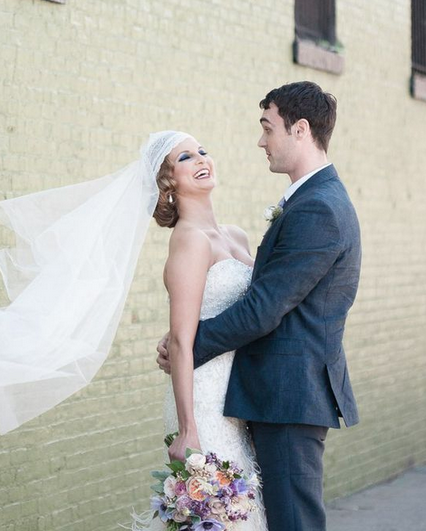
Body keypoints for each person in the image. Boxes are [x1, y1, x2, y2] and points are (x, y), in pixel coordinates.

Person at [157, 81, 361, 531]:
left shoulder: (317, 209)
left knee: (292, 522)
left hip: (288, 394)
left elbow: (264, 308)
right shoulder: (311, 201)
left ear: (300, 130)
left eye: (268, 129)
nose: (261, 141)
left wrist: (185, 343)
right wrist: (183, 340)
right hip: (249, 395)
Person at [130, 131, 268, 531]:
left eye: (202, 150)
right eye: (186, 157)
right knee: (224, 513)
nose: (201, 158)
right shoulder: (188, 241)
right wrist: (189, 428)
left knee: (247, 504)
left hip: (239, 391)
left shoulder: (236, 235)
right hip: (204, 398)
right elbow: (180, 340)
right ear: (168, 183)